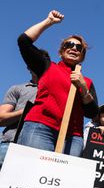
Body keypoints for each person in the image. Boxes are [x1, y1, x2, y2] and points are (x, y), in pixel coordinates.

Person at [17, 10, 98, 156]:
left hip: (73, 137)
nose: (74, 48)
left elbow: (92, 112)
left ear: (82, 56)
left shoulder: (86, 81)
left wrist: (83, 88)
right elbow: (24, 41)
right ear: (62, 51)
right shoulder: (47, 66)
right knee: (34, 174)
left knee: (64, 177)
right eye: (69, 45)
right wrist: (48, 21)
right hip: (40, 127)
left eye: (79, 48)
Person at [0, 69, 38, 169]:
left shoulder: (55, 90)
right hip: (10, 144)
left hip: (40, 149)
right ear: (29, 67)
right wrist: (28, 110)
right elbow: (1, 118)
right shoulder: (17, 88)